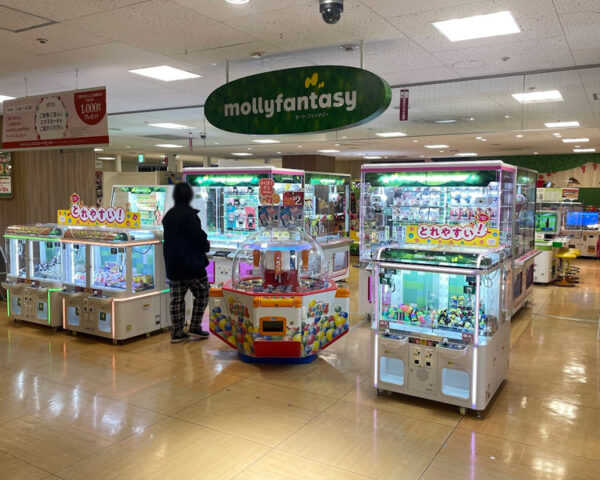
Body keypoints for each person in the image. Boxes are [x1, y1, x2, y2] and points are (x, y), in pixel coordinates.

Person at [162, 182, 211, 343]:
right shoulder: (190, 216)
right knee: (202, 293)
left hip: (173, 265)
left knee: (176, 299)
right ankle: (195, 326)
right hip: (192, 265)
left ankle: (176, 333)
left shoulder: (168, 216)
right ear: (189, 196)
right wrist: (206, 246)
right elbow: (198, 237)